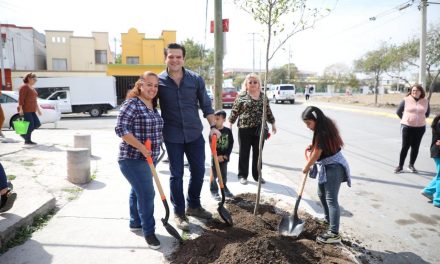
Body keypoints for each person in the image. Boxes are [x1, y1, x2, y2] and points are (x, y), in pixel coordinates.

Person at [156, 43, 220, 231]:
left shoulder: (195, 79)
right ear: (165, 58)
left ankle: (193, 205)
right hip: (172, 135)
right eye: (171, 56)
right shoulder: (158, 81)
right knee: (176, 175)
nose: (175, 60)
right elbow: (149, 104)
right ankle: (179, 212)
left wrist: (214, 126)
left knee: (199, 171)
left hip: (194, 134)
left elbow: (206, 105)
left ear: (183, 58)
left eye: (178, 56)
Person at [115, 72, 164, 250]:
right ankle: (149, 232)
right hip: (132, 158)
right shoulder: (132, 104)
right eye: (149, 84)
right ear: (140, 84)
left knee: (137, 191)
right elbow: (121, 128)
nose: (153, 88)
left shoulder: (152, 105)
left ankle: (135, 222)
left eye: (156, 86)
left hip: (150, 158)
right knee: (147, 193)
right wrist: (142, 147)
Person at [301, 106, 351, 244]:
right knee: (321, 194)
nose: (307, 126)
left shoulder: (322, 131)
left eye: (308, 123)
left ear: (316, 120)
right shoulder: (322, 127)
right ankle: (328, 220)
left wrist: (306, 167)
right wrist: (313, 146)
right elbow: (320, 147)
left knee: (331, 199)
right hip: (328, 166)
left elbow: (317, 153)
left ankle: (334, 233)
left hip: (334, 167)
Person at [229, 73, 277, 185]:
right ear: (246, 84)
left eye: (255, 82)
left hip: (259, 129)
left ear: (259, 84)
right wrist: (230, 124)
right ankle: (242, 175)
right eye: (250, 82)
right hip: (244, 129)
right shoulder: (241, 97)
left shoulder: (263, 97)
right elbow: (234, 112)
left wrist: (273, 123)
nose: (252, 84)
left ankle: (257, 176)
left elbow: (268, 111)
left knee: (258, 153)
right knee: (244, 153)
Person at [395, 84, 430, 173]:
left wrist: (420, 118)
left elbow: (427, 113)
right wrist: (406, 119)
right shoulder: (406, 100)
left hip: (420, 128)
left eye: (416, 90)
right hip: (407, 127)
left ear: (421, 91)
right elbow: (398, 112)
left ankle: (411, 165)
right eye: (413, 90)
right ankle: (400, 166)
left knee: (415, 147)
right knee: (405, 147)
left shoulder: (425, 101)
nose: (414, 92)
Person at [209, 110, 234, 200]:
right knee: (214, 175)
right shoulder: (213, 131)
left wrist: (226, 155)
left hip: (224, 157)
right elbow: (211, 145)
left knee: (223, 175)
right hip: (215, 157)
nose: (215, 121)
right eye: (214, 119)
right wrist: (216, 156)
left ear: (224, 119)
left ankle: (224, 188)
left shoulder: (228, 131)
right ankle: (214, 190)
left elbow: (231, 143)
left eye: (217, 119)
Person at [421, 114, 440, 208]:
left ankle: (428, 191)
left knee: (439, 175)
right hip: (438, 152)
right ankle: (438, 200)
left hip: (436, 151)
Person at [18, 73, 41, 145]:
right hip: (26, 109)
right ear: (29, 78)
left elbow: (35, 100)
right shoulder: (24, 87)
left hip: (32, 109)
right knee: (30, 125)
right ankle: (27, 140)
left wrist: (38, 109)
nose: (35, 81)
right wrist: (21, 109)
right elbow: (21, 98)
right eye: (34, 79)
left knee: (37, 124)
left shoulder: (32, 88)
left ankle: (24, 135)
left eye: (36, 79)